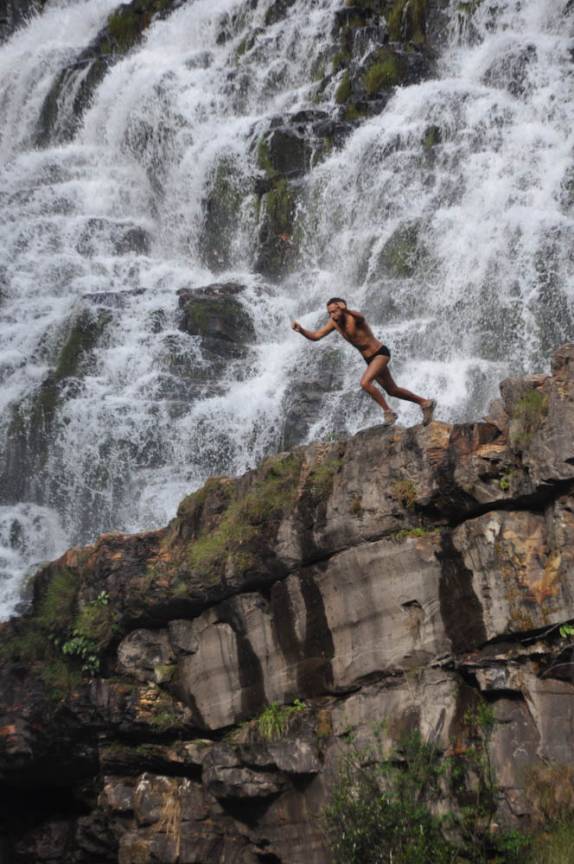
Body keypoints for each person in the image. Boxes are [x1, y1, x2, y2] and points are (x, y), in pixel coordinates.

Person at [292, 297, 435, 426]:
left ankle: (388, 411)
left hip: (380, 353)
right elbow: (317, 336)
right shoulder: (334, 323)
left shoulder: (353, 318)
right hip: (369, 359)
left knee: (364, 383)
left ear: (342, 308)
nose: (332, 315)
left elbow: (361, 317)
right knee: (392, 390)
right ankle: (424, 403)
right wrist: (301, 330)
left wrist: (347, 310)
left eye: (334, 311)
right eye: (329, 313)